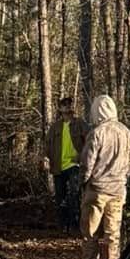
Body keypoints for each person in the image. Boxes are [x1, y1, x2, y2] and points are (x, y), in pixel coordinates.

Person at [77, 93, 130, 259]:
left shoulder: (97, 133)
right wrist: (121, 176)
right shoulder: (126, 132)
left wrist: (83, 182)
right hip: (117, 191)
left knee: (91, 234)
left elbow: (87, 164)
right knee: (113, 235)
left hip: (96, 191)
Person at [46, 95, 87, 229]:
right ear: (60, 108)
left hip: (74, 165)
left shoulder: (80, 123)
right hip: (58, 166)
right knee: (60, 197)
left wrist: (81, 157)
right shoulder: (55, 127)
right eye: (64, 104)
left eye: (69, 104)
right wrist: (45, 158)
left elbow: (90, 142)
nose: (67, 106)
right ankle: (62, 225)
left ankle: (75, 224)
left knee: (74, 194)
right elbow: (47, 145)